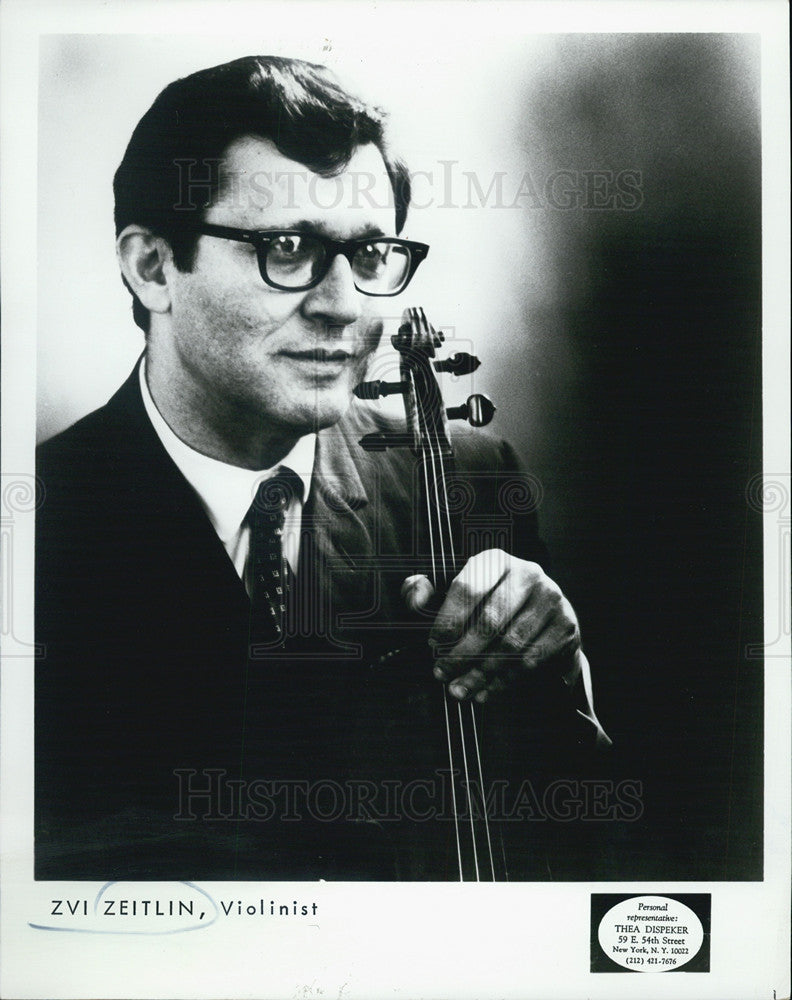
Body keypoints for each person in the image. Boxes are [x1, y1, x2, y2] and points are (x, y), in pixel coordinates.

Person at [35, 55, 608, 882]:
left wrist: (562, 681)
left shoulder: (470, 484)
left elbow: (574, 853)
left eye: (371, 253)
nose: (345, 306)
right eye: (288, 248)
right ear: (153, 268)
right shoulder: (38, 526)